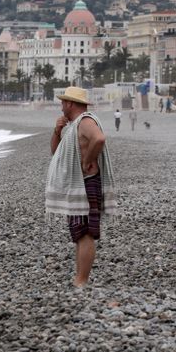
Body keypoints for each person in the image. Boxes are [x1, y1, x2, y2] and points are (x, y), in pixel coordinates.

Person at [46, 87, 118, 288]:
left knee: (85, 233)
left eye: (63, 103)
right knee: (78, 232)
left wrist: (88, 160)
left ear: (70, 103)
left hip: (86, 184)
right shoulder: (71, 126)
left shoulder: (86, 121)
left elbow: (99, 139)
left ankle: (82, 280)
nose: (61, 107)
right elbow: (56, 152)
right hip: (78, 185)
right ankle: (79, 278)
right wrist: (57, 131)